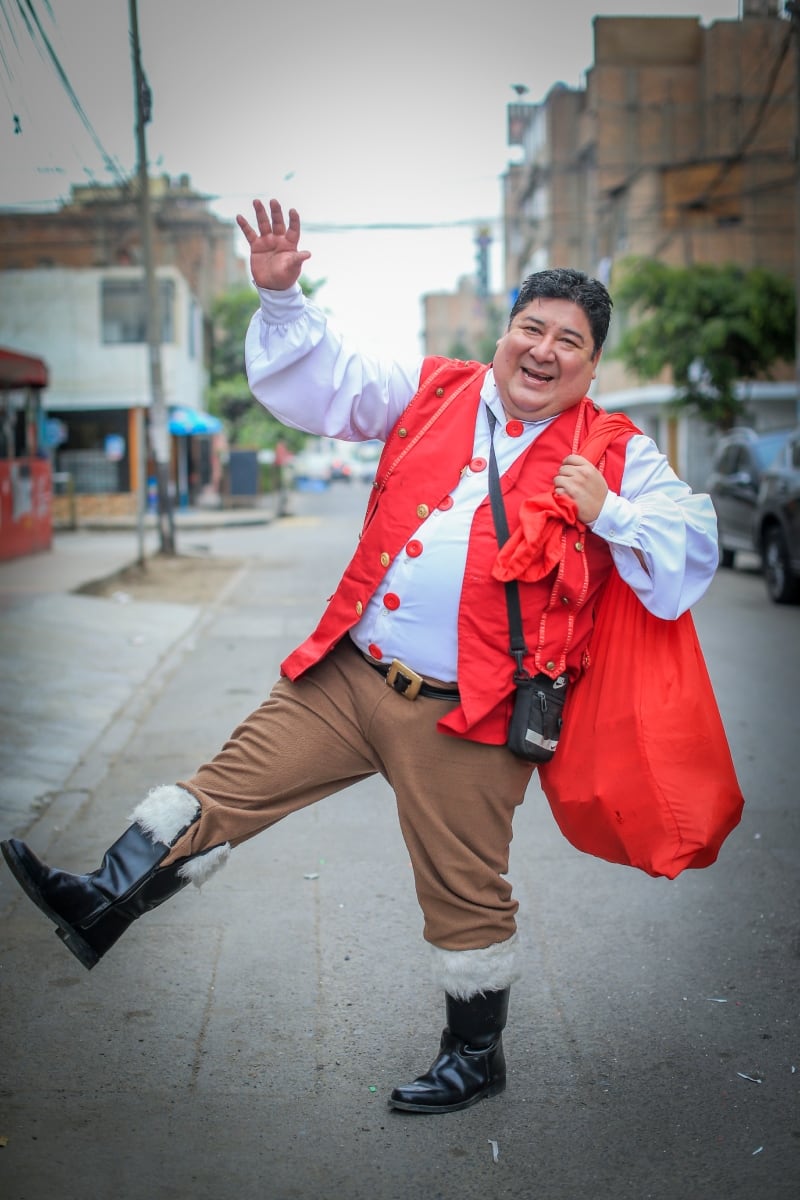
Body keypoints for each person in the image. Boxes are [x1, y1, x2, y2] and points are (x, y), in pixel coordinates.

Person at [1, 199, 718, 1115]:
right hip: (348, 673)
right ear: (504, 335)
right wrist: (282, 295)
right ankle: (96, 900)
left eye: (568, 340)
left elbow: (689, 545)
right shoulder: (434, 389)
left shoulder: (615, 452)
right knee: (222, 786)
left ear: (591, 363)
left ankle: (474, 1057)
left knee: (465, 892)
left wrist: (609, 511)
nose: (543, 349)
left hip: (473, 712)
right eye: (530, 328)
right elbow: (326, 378)